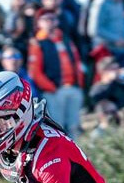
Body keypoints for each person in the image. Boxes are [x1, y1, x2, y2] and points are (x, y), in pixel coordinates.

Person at [27, 7, 84, 136]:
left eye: (52, 18)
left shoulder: (65, 39)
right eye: (45, 19)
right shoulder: (38, 43)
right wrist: (52, 88)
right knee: (58, 128)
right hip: (54, 91)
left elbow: (76, 61)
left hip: (73, 88)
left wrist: (79, 84)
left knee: (75, 127)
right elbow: (35, 72)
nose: (50, 22)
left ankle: (76, 155)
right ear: (39, 23)